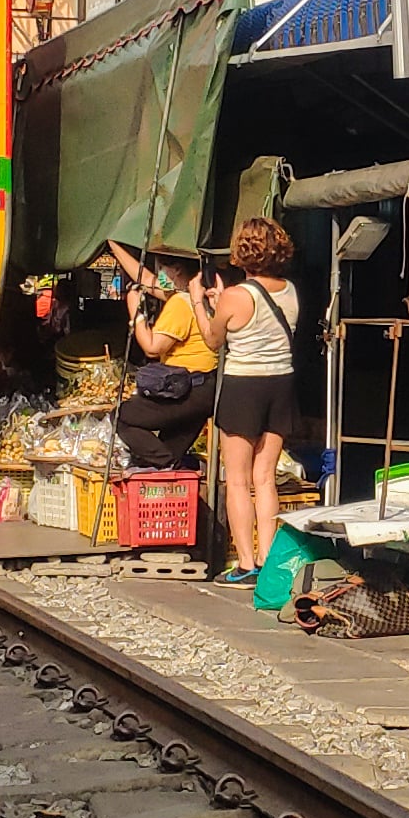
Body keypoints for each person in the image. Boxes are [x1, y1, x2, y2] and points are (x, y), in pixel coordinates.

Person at [195, 218, 303, 587]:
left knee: (238, 480)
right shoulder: (290, 291)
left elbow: (213, 339)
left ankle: (245, 563)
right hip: (281, 384)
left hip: (244, 387)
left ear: (243, 252)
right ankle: (269, 558)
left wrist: (200, 302)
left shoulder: (235, 295)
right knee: (266, 478)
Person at [104, 241, 217, 473]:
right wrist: (114, 246)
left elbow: (152, 347)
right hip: (205, 388)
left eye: (162, 268)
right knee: (165, 454)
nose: (159, 274)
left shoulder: (180, 304)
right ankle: (171, 468)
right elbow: (146, 279)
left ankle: (168, 463)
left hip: (186, 391)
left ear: (176, 270)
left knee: (122, 417)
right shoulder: (198, 297)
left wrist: (136, 314)